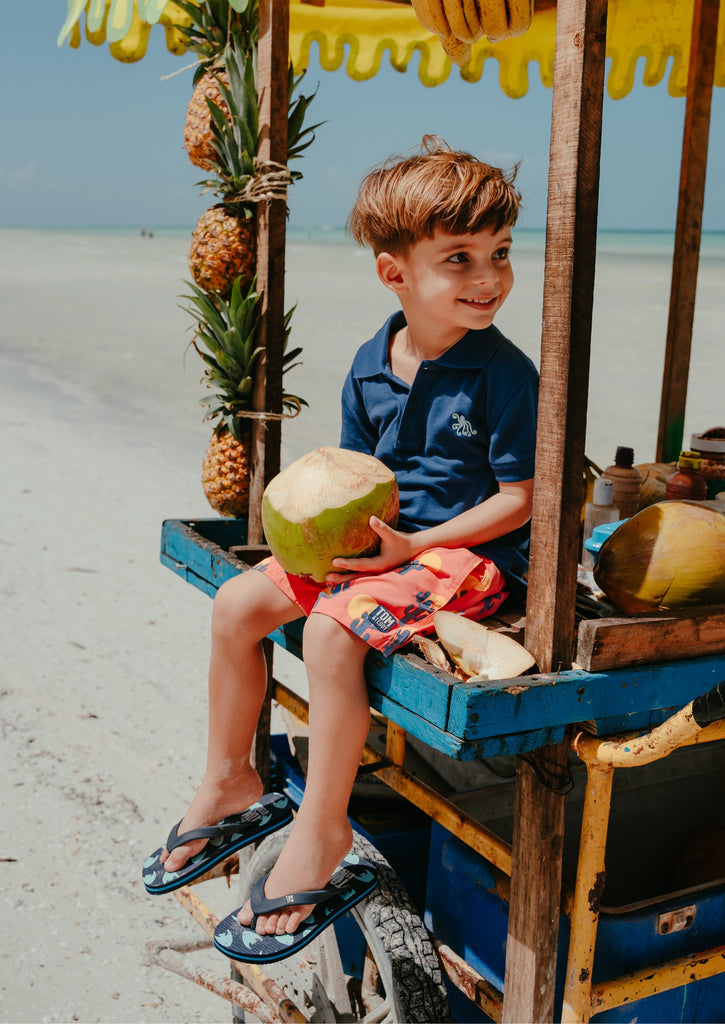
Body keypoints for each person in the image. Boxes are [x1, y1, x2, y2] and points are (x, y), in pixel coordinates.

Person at [142, 136, 538, 965]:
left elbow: (520, 499)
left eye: (499, 254)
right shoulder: (370, 361)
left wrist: (414, 545)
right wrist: (333, 538)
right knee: (236, 603)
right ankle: (229, 779)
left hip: (469, 558)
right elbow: (360, 472)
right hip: (386, 548)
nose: (488, 277)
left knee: (328, 634)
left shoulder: (506, 375)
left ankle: (321, 833)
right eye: (458, 258)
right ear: (394, 273)